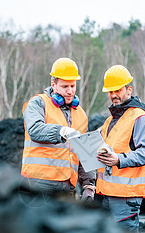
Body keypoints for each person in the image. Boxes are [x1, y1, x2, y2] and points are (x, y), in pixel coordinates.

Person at [21, 57, 96, 202]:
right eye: (65, 87)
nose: (70, 91)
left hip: (67, 187)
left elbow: (86, 153)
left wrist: (88, 186)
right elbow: (35, 129)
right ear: (53, 85)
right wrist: (61, 131)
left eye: (73, 86)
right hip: (39, 184)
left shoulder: (80, 114)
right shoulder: (38, 103)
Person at [96, 65, 145, 231]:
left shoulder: (140, 118)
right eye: (110, 91)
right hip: (107, 194)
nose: (113, 95)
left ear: (129, 89)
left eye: (118, 90)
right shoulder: (110, 121)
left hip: (126, 197)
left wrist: (119, 159)